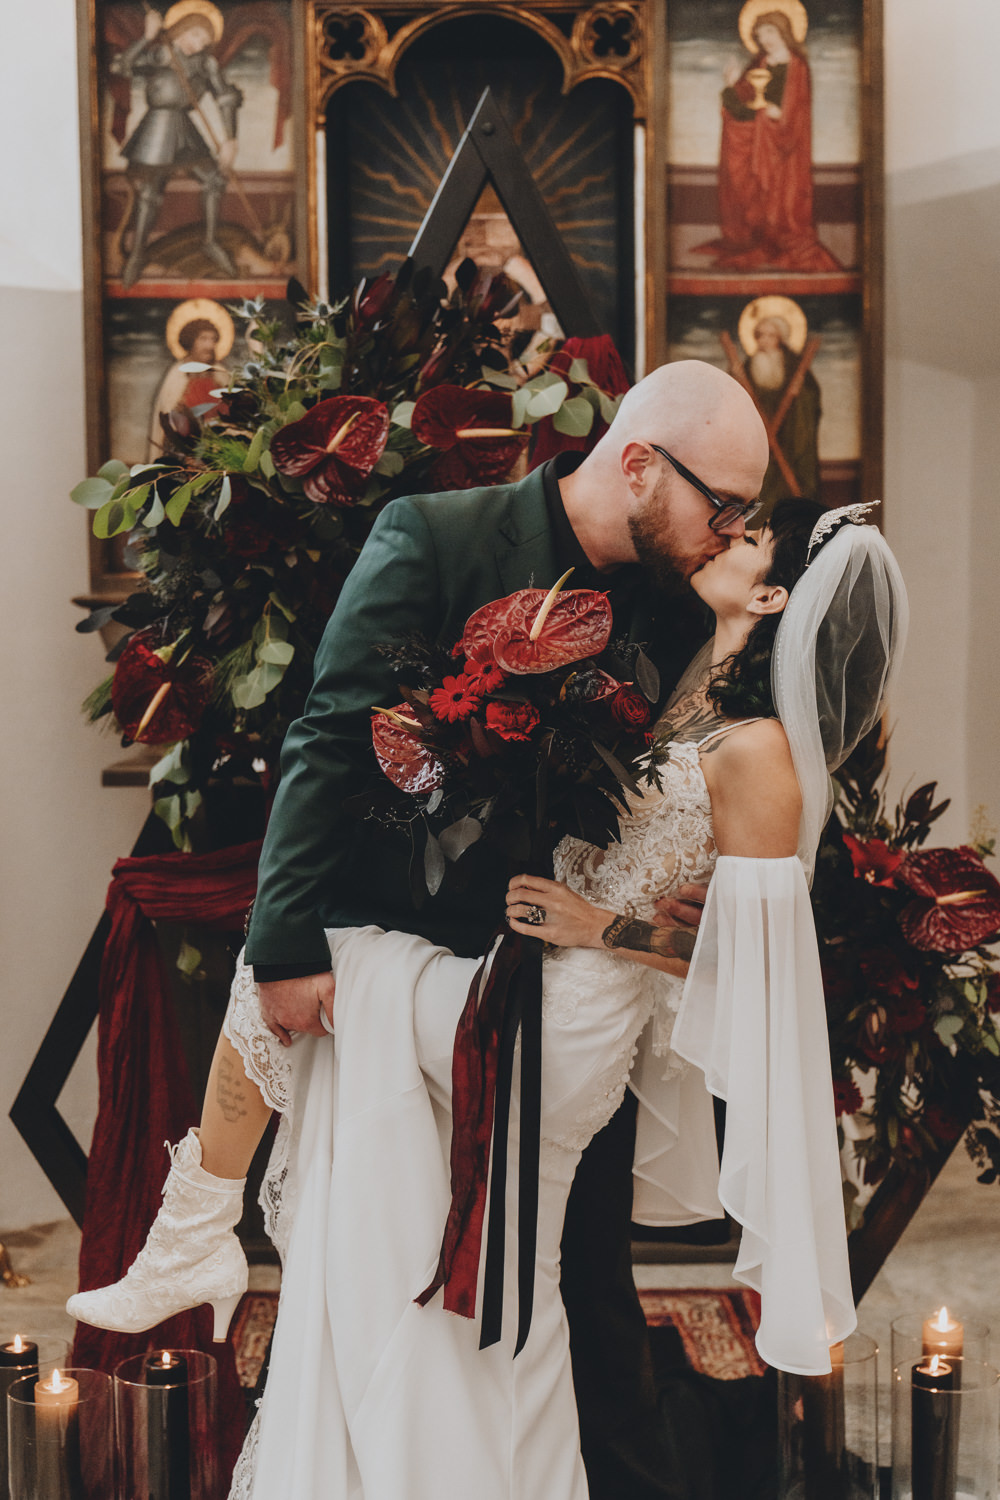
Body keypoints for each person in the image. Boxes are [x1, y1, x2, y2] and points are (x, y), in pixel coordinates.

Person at [69, 483, 906, 1499]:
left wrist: (603, 925)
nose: (728, 533)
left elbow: (771, 980)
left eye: (752, 536)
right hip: (527, 984)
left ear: (771, 600)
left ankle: (195, 1229)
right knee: (501, 1267)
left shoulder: (761, 748)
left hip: (573, 1021)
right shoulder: (694, 682)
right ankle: (466, 1443)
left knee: (308, 955)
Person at [694, 11, 840, 273]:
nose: (765, 40)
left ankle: (780, 236)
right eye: (760, 35)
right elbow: (743, 107)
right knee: (749, 185)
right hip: (759, 143)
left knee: (785, 208)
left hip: (786, 149)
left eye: (770, 32)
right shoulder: (759, 63)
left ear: (784, 31)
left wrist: (779, 116)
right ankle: (758, 234)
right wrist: (731, 86)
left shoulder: (798, 67)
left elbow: (798, 114)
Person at [112, 1, 241, 287]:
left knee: (214, 180)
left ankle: (209, 242)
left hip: (185, 130)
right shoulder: (160, 53)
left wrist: (230, 140)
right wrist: (146, 37)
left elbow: (226, 98)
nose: (199, 44)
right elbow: (121, 66)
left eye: (205, 40)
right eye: (195, 36)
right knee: (149, 194)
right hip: (155, 130)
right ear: (180, 30)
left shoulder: (206, 63)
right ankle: (137, 256)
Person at [744, 314, 821, 514]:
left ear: (780, 339)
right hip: (758, 431)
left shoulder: (794, 364)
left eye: (770, 336)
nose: (765, 340)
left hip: (789, 432)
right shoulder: (746, 366)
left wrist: (800, 393)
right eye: (760, 335)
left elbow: (811, 396)